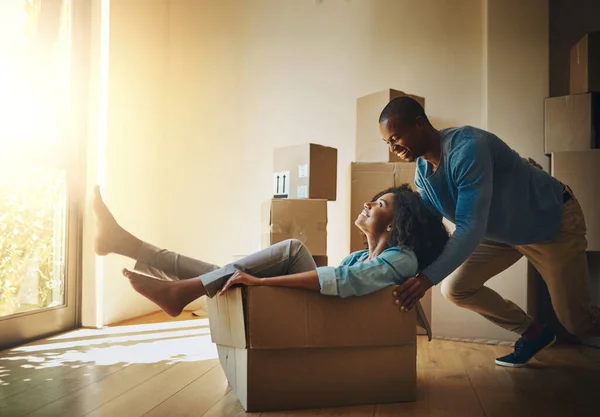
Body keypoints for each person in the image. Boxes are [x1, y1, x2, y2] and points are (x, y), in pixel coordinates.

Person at [379, 96, 600, 367]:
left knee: (577, 322)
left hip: (551, 223)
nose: (393, 148)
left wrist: (426, 280)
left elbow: (470, 226)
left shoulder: (467, 149)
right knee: (456, 288)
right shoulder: (423, 174)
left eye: (395, 138)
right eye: (388, 143)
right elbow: (428, 228)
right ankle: (534, 334)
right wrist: (390, 259)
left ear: (419, 124)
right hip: (501, 234)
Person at [92, 184, 449, 317]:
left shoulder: (403, 259)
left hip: (327, 318)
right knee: (221, 273)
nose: (370, 204)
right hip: (325, 307)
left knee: (292, 249)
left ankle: (178, 285)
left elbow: (344, 281)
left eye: (382, 205)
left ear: (394, 224)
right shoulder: (361, 256)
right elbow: (348, 272)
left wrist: (262, 285)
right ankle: (129, 245)